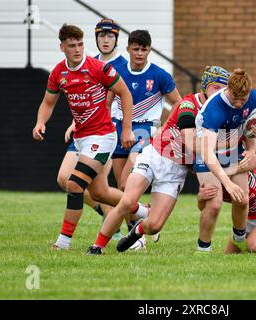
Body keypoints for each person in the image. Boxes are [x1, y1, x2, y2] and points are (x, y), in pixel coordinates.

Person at [86, 66, 231, 255]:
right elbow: (193, 144)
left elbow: (201, 155)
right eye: (216, 88)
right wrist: (229, 141)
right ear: (205, 87)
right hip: (155, 155)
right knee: (127, 201)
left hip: (175, 172)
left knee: (154, 226)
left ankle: (138, 229)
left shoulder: (221, 115)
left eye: (224, 90)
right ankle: (97, 247)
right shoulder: (189, 104)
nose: (220, 94)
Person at [32, 24, 148, 251]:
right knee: (99, 193)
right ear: (62, 47)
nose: (77, 50)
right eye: (72, 45)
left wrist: (126, 129)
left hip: (103, 135)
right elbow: (48, 102)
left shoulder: (98, 68)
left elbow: (125, 93)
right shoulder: (59, 73)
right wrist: (40, 122)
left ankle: (63, 243)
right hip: (82, 137)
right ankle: (144, 212)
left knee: (74, 184)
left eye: (80, 44)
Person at [56, 19, 128, 239]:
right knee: (67, 180)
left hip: (107, 131)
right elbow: (85, 100)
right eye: (101, 36)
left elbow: (127, 97)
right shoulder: (86, 62)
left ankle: (127, 228)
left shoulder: (124, 65)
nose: (105, 40)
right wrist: (74, 122)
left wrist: (128, 129)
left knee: (83, 183)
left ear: (117, 39)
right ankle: (109, 214)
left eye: (110, 36)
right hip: (83, 131)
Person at [194, 68, 256, 253]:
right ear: (228, 90)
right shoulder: (214, 109)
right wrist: (227, 183)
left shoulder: (254, 97)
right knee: (214, 202)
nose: (239, 104)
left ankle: (239, 238)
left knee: (242, 199)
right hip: (207, 149)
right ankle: (203, 249)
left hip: (232, 147)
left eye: (243, 100)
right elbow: (207, 153)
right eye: (235, 99)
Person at [109, 29, 182, 193]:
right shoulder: (117, 71)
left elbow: (178, 102)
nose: (140, 53)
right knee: (121, 189)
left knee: (125, 184)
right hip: (120, 128)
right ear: (128, 49)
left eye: (144, 49)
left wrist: (165, 127)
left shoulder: (159, 75)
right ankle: (138, 218)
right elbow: (107, 103)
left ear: (149, 49)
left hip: (145, 130)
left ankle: (143, 215)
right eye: (136, 49)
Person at [198, 160, 256, 254]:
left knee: (252, 247)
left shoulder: (234, 163)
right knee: (229, 256)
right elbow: (205, 209)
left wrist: (232, 170)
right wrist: (200, 199)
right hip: (247, 217)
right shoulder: (211, 182)